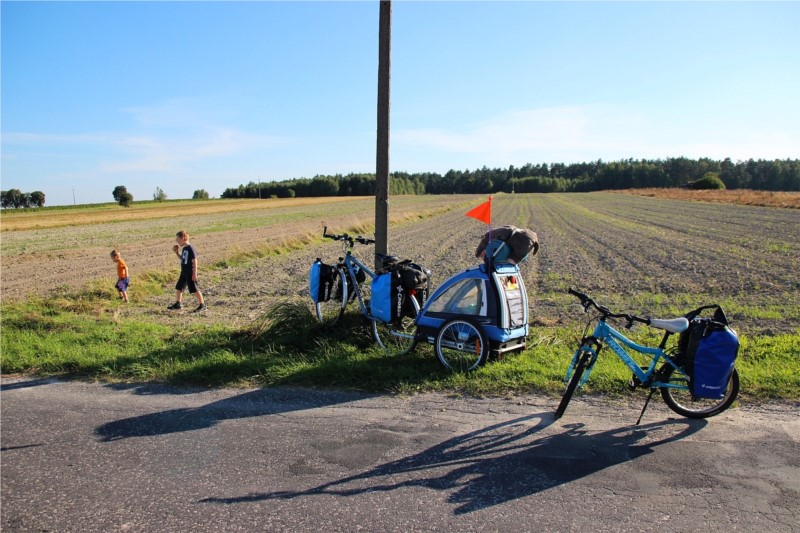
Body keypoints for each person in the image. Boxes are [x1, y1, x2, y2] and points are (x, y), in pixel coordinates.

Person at [168, 230, 207, 312]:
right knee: (179, 288)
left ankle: (202, 305)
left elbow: (195, 260)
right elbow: (183, 259)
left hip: (190, 272)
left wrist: (194, 273)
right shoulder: (184, 249)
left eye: (178, 239)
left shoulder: (190, 248)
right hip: (184, 272)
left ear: (183, 238)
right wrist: (176, 253)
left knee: (195, 289)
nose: (177, 241)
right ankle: (178, 304)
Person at [475, 225, 539, 265]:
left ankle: (513, 259)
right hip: (519, 247)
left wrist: (479, 253)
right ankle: (514, 259)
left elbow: (487, 238)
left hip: (502, 249)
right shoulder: (508, 230)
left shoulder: (497, 233)